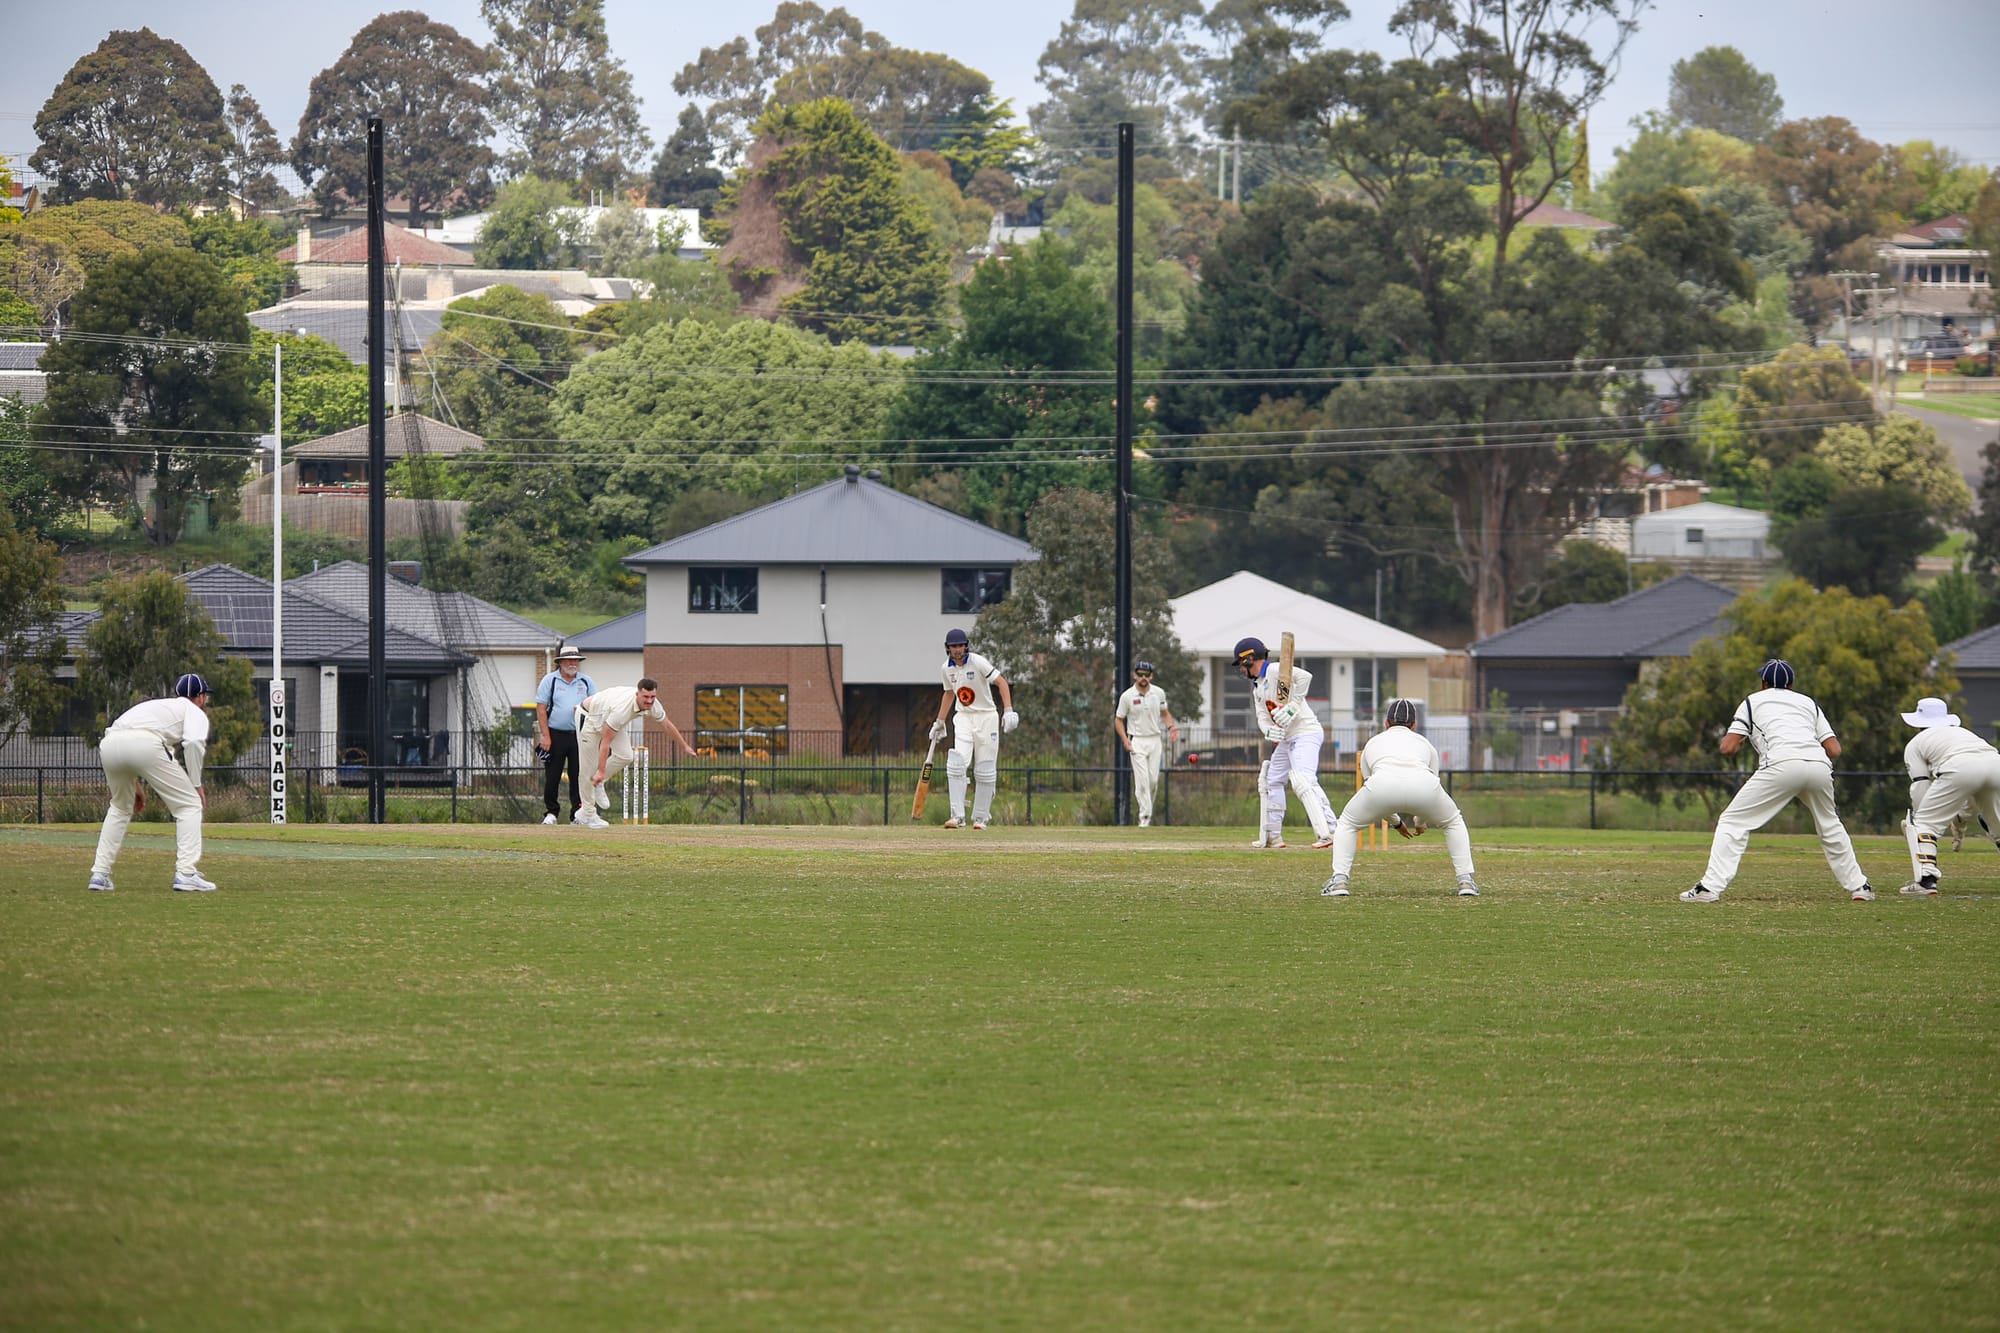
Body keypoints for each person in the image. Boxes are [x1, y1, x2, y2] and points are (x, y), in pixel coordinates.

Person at [1682, 658, 1874, 903]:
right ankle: (1860, 887)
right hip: (1819, 766)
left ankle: (1709, 888)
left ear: (1763, 683)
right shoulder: (1808, 703)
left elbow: (1727, 748)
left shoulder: (1752, 700)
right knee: (1830, 824)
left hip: (1781, 764)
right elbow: (1834, 750)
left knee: (1732, 822)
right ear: (1791, 685)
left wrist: (1740, 740)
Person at [1321, 698, 1478, 898]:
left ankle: (1339, 881)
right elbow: (1432, 785)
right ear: (1414, 725)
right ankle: (1466, 881)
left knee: (1347, 824)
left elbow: (1378, 793)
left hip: (1382, 786)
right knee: (1453, 821)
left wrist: (1396, 822)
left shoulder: (1373, 743)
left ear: (1386, 723)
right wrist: (1420, 822)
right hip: (1424, 787)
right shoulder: (1425, 744)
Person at [87, 673, 218, 893]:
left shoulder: (156, 706)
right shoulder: (194, 711)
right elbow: (194, 743)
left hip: (109, 744)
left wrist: (135, 785)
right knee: (189, 805)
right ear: (201, 697)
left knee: (119, 807)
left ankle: (99, 874)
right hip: (145, 743)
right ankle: (186, 873)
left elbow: (123, 738)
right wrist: (197, 786)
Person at [1234, 637, 1337, 850]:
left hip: (1306, 732)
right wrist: (1269, 730)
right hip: (1287, 737)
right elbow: (1262, 717)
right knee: (1272, 781)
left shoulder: (1274, 671)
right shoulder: (1258, 688)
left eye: (1241, 664)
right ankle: (1273, 836)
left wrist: (1293, 707)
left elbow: (1305, 677)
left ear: (1249, 659)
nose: (1241, 670)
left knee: (1304, 779)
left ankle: (1331, 829)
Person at [1898, 695, 2000, 896]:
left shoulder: (1916, 743)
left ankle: (1926, 880)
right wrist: (1960, 821)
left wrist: (1921, 820)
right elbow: (1974, 785)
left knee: (1925, 823)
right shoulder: (1964, 733)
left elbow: (1920, 785)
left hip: (1959, 767)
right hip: (1996, 763)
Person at [930, 627, 1017, 830]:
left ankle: (981, 818)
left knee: (985, 769)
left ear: (966, 646)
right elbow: (949, 694)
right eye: (954, 646)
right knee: (956, 763)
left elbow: (1001, 682)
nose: (958, 650)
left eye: (961, 645)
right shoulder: (946, 669)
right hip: (964, 717)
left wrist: (1009, 710)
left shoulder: (977, 662)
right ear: (948, 648)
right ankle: (957, 816)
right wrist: (939, 722)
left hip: (987, 716)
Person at [577, 677, 690, 830]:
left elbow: (667, 725)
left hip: (609, 719)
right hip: (589, 717)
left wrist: (684, 746)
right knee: (588, 770)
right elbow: (605, 743)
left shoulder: (653, 705)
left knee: (626, 756)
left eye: (652, 697)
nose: (649, 701)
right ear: (637, 694)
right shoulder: (622, 710)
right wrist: (601, 771)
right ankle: (588, 813)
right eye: (646, 697)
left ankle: (598, 784)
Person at [534, 644, 595, 827]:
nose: (572, 663)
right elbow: (541, 708)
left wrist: (583, 708)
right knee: (553, 775)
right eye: (568, 660)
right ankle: (551, 812)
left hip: (580, 734)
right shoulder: (550, 680)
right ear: (560, 662)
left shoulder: (586, 681)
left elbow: (596, 705)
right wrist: (545, 736)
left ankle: (577, 813)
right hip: (555, 734)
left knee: (579, 775)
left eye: (575, 660)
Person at [1114, 660, 1179, 828]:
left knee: (1153, 781)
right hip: (1137, 740)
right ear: (1134, 675)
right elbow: (1118, 720)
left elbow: (1164, 713)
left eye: (1146, 674)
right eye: (1140, 674)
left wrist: (1171, 727)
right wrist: (1125, 740)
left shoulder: (1158, 693)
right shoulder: (1127, 696)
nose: (1143, 678)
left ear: (1151, 676)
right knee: (1142, 780)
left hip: (1154, 740)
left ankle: (1146, 812)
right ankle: (1145, 817)